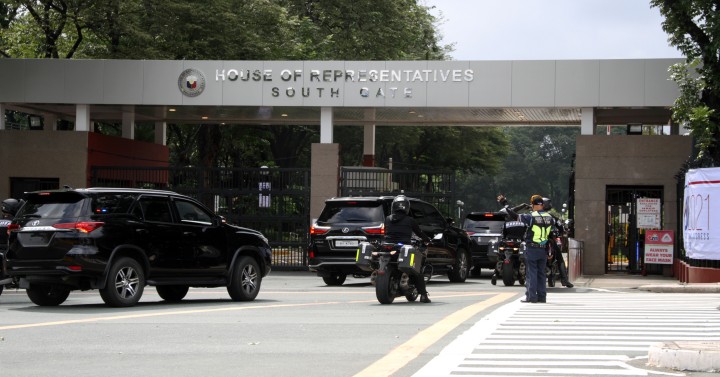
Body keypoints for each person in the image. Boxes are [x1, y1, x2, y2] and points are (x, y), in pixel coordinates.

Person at [498, 194, 555, 303]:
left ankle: (531, 297)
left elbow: (514, 215)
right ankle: (542, 297)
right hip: (543, 249)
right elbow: (552, 233)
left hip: (532, 248)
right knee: (541, 273)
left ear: (533, 205)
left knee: (531, 273)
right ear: (542, 205)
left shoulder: (531, 217)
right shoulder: (549, 217)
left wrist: (505, 203)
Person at [384, 195, 433, 303]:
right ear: (406, 207)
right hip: (404, 246)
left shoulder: (387, 219)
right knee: (417, 269)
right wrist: (427, 240)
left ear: (393, 206)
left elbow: (386, 232)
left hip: (388, 246)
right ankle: (423, 295)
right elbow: (419, 233)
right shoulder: (410, 220)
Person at [542, 197, 573, 288]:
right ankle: (564, 280)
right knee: (560, 259)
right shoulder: (551, 217)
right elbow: (560, 227)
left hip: (535, 242)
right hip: (549, 239)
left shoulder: (532, 215)